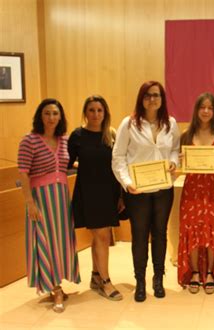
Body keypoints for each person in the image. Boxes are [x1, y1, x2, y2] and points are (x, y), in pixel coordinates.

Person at [112, 81, 180, 302]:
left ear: (162, 99)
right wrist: (127, 182)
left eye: (157, 95)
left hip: (163, 189)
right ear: (141, 98)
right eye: (149, 95)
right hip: (137, 191)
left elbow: (175, 151)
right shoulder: (129, 123)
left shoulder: (170, 123)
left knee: (160, 234)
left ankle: (157, 279)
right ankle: (140, 281)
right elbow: (118, 157)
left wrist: (172, 162)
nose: (153, 99)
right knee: (140, 235)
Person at [17, 98, 80, 313]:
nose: (51, 117)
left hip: (61, 198)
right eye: (47, 113)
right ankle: (55, 289)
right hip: (40, 199)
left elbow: (66, 165)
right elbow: (23, 173)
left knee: (60, 241)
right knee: (45, 241)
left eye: (55, 113)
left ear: (61, 116)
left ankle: (57, 283)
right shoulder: (29, 140)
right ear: (40, 116)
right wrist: (29, 203)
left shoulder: (65, 139)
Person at [68, 95, 123, 301]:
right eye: (91, 110)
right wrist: (82, 166)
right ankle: (106, 282)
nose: (96, 114)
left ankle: (95, 276)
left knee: (101, 235)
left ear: (105, 113)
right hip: (88, 192)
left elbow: (117, 165)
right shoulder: (77, 135)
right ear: (85, 113)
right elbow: (67, 161)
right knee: (101, 236)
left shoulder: (111, 135)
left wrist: (121, 195)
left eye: (99, 110)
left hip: (109, 192)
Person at [177, 92, 214, 294]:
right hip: (192, 189)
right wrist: (181, 160)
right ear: (196, 110)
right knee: (192, 229)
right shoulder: (186, 134)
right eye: (202, 107)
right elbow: (178, 164)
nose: (206, 111)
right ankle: (195, 273)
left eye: (210, 108)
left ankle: (209, 273)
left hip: (213, 189)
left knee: (211, 229)